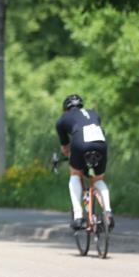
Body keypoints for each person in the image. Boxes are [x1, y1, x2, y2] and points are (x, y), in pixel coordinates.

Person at [56, 94, 113, 232]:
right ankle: (108, 213)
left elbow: (65, 147)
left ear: (66, 109)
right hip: (100, 142)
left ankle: (78, 216)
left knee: (75, 174)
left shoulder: (64, 118)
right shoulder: (93, 113)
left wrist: (68, 153)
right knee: (98, 178)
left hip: (80, 141)